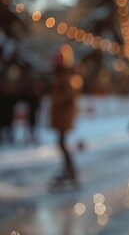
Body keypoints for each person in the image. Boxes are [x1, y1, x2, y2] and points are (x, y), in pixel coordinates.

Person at [49, 44, 79, 190]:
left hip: (64, 115)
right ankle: (68, 171)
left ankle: (70, 172)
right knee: (61, 143)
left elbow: (67, 95)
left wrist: (56, 100)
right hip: (62, 115)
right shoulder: (62, 74)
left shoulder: (67, 75)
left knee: (62, 143)